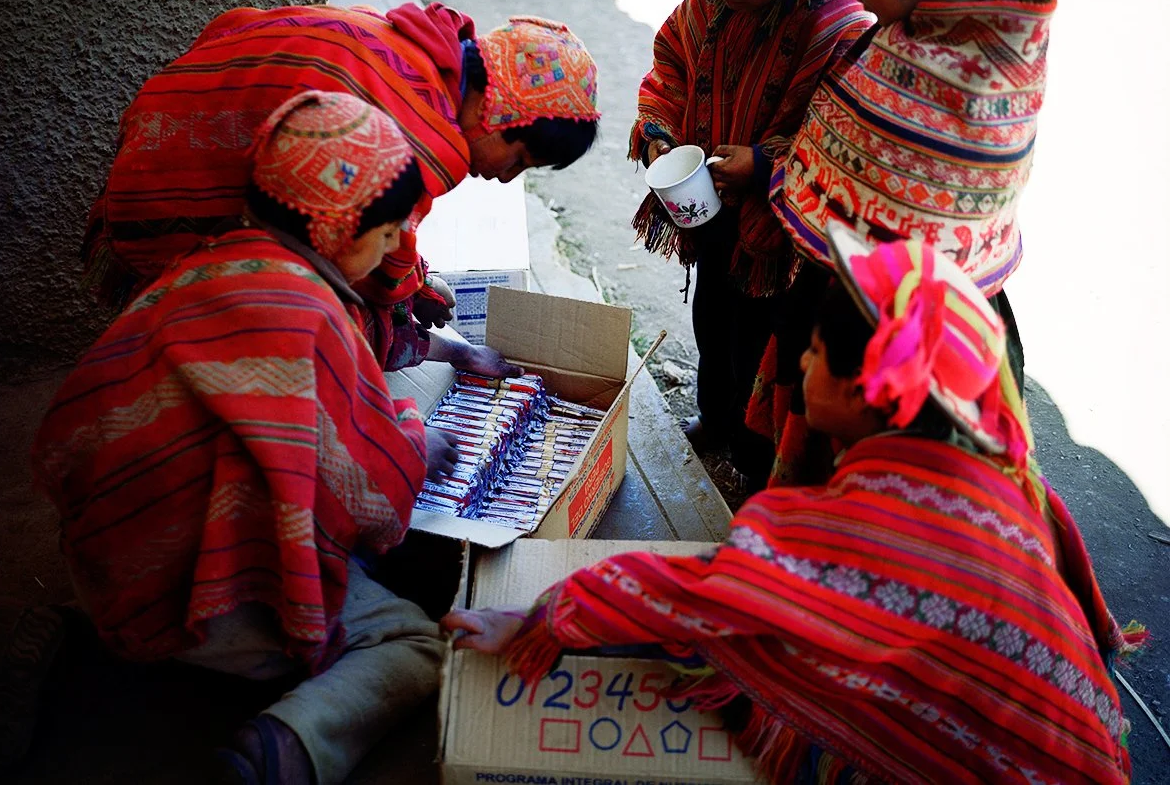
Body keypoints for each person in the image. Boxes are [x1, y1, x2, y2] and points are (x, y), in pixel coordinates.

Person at [442, 226, 1139, 784]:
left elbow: (710, 593)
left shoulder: (875, 522)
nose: (799, 365)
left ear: (872, 390)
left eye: (813, 352)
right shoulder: (993, 480)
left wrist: (549, 615)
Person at [28, 92, 461, 785]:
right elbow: (374, 500)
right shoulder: (312, 315)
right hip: (211, 604)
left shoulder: (201, 264)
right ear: (336, 231)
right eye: (384, 236)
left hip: (107, 564)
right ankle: (283, 747)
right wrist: (414, 442)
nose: (391, 251)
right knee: (417, 641)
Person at [746, 0, 1053, 485]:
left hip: (885, 351)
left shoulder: (963, 75)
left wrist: (773, 171)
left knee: (865, 489)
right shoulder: (985, 33)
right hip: (950, 318)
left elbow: (861, 196)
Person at [83, 2, 599, 377]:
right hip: (169, 208)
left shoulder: (402, 44)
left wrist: (413, 284)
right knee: (341, 325)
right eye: (520, 159)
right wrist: (447, 347)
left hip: (155, 147)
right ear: (498, 113)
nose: (508, 177)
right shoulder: (418, 142)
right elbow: (371, 277)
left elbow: (231, 26)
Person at [629, 0, 872, 486]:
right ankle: (717, 420)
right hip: (715, 218)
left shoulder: (838, 26)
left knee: (762, 351)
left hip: (781, 240)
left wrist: (764, 168)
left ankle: (754, 460)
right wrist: (657, 132)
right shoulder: (712, 1)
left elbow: (842, 149)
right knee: (711, 322)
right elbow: (672, 63)